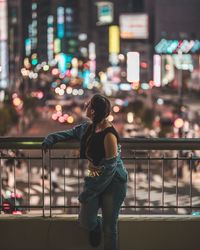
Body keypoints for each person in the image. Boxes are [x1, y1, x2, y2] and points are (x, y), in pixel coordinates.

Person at [42, 94, 128, 250]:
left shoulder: (109, 136)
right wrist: (50, 138)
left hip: (113, 183)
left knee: (110, 229)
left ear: (94, 111)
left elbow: (109, 170)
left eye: (88, 105)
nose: (85, 106)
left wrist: (89, 191)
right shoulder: (88, 128)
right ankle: (96, 226)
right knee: (86, 221)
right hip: (96, 178)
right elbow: (68, 134)